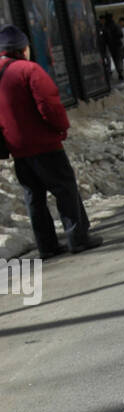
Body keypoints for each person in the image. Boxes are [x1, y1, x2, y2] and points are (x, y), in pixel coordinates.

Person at [0, 24, 102, 258]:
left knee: (33, 197)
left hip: (18, 149)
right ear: (22, 48)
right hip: (45, 145)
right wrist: (61, 128)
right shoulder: (29, 70)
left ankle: (47, 246)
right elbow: (49, 105)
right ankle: (78, 238)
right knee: (65, 189)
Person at [101, 13, 124, 81]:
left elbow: (104, 38)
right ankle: (120, 71)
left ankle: (119, 70)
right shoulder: (116, 25)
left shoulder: (105, 27)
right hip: (118, 44)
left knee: (115, 59)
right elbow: (121, 34)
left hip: (111, 45)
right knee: (119, 58)